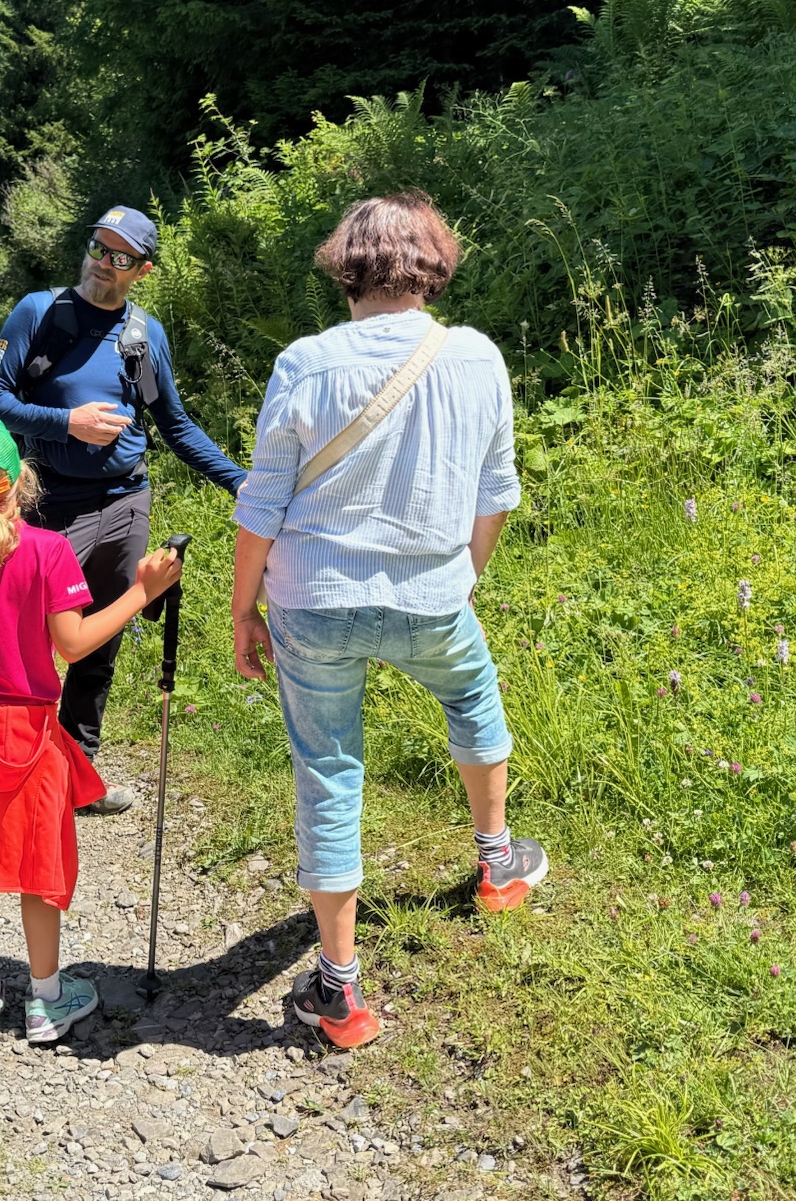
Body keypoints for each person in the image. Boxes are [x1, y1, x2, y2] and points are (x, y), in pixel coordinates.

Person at [230, 191, 549, 1050]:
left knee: (329, 771)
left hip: (314, 599)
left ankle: (339, 991)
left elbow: (262, 504)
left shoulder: (305, 361)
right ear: (433, 264)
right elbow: (496, 494)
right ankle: (497, 865)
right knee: (474, 704)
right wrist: (462, 579)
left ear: (346, 268)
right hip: (431, 596)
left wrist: (242, 611)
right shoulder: (476, 357)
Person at [0, 413, 183, 1043]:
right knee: (36, 864)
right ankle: (46, 1001)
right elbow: (73, 646)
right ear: (24, 479)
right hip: (32, 734)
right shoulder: (49, 551)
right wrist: (141, 592)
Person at [0, 205, 244, 813]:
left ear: (141, 270)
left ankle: (75, 773)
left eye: (120, 256)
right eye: (98, 247)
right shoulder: (39, 313)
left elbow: (174, 424)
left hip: (126, 499)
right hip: (49, 501)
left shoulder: (144, 336)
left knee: (102, 637)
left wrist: (241, 484)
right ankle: (8, 763)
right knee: (28, 636)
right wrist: (65, 421)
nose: (104, 262)